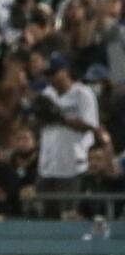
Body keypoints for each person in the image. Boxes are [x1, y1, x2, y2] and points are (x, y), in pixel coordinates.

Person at [36, 52, 99, 212]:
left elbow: (91, 126)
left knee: (68, 217)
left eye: (53, 73)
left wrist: (60, 118)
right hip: (47, 164)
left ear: (64, 71)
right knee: (47, 219)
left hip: (72, 164)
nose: (50, 78)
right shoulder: (47, 94)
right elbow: (39, 124)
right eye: (47, 74)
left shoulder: (82, 93)